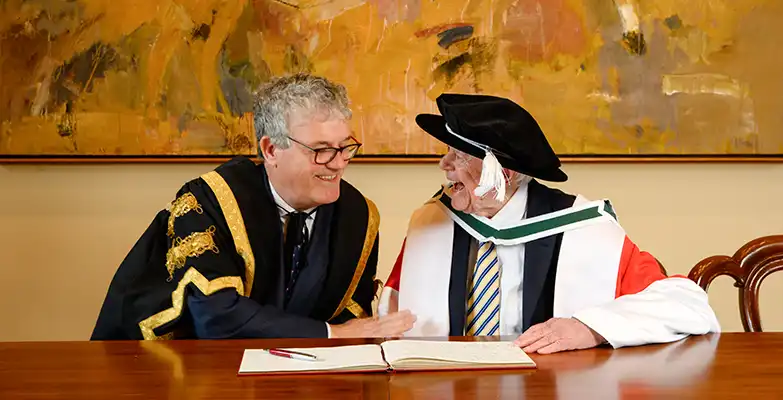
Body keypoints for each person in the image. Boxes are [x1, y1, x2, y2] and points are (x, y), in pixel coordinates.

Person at [378, 93, 720, 353]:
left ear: (506, 173)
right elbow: (390, 310)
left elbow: (687, 306)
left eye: (460, 156)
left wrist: (590, 327)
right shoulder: (431, 220)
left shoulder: (582, 226)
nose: (445, 164)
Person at [92, 73, 415, 340]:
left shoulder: (358, 216)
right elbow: (215, 317)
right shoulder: (208, 203)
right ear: (271, 149)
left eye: (345, 147)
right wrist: (331, 333)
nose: (338, 164)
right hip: (163, 366)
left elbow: (353, 318)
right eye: (320, 150)